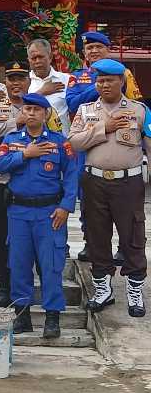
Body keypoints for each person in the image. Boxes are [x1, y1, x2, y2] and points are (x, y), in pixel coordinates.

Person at [68, 59, 148, 318]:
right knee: (97, 236)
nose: (103, 85)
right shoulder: (85, 110)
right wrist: (104, 128)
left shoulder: (140, 111)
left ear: (121, 81)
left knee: (132, 236)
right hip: (95, 182)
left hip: (129, 183)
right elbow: (74, 142)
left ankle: (135, 291)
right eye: (99, 80)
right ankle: (103, 289)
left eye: (109, 80)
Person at [0, 61, 64, 306]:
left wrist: (34, 110)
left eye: (20, 79)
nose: (15, 83)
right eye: (10, 79)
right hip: (2, 181)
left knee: (39, 240)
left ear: (29, 82)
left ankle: (41, 291)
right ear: (4, 83)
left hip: (38, 184)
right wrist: (19, 121)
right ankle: (7, 288)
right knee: (1, 238)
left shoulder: (42, 108)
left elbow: (57, 135)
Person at [0, 93, 77, 338]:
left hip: (50, 213)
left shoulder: (61, 143)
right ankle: (22, 316)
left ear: (46, 114)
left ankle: (52, 317)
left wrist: (65, 207)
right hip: (18, 212)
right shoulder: (11, 140)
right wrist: (24, 155)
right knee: (19, 264)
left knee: (51, 265)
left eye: (37, 110)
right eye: (27, 109)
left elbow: (72, 176)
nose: (31, 113)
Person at [67, 31, 140, 263]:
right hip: (87, 142)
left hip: (123, 141)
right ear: (83, 53)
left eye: (99, 47)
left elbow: (136, 105)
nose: (94, 51)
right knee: (88, 198)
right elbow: (72, 102)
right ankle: (91, 242)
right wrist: (101, 83)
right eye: (90, 48)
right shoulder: (76, 77)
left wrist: (111, 80)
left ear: (107, 50)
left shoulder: (125, 74)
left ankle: (122, 246)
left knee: (125, 206)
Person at [27, 38, 71, 134]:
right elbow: (20, 112)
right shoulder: (25, 82)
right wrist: (41, 92)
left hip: (62, 141)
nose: (37, 61)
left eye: (41, 57)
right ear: (29, 60)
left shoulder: (66, 79)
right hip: (32, 143)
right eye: (33, 58)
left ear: (50, 57)